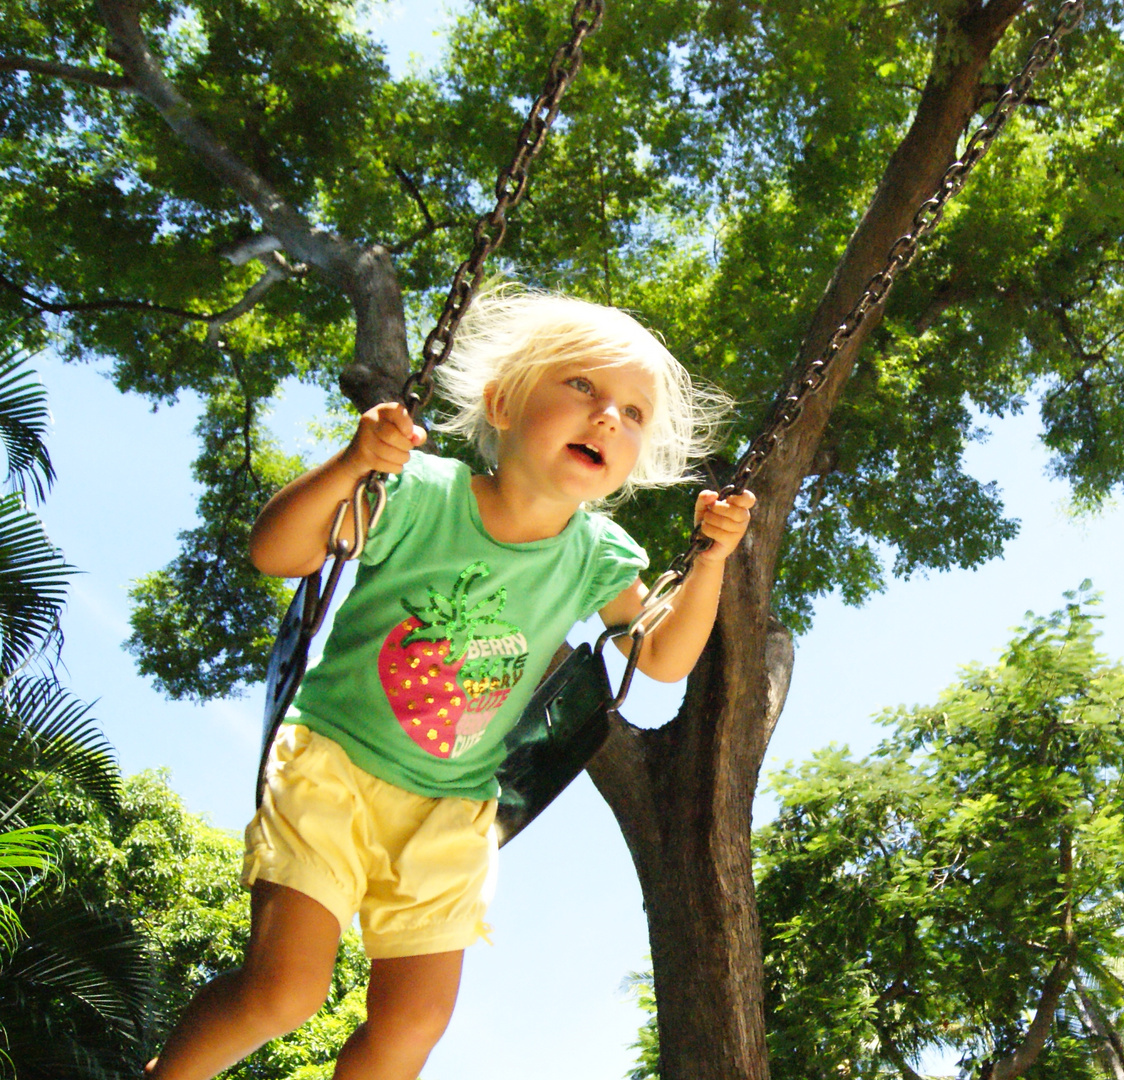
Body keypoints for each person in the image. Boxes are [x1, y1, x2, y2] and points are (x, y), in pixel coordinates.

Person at [146, 290, 754, 1080]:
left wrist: (708, 564)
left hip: (451, 813)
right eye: (582, 388)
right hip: (333, 766)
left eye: (633, 412)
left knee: (412, 1029)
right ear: (503, 403)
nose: (608, 416)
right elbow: (278, 553)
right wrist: (354, 464)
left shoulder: (598, 556)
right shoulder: (419, 493)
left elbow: (663, 660)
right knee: (284, 993)